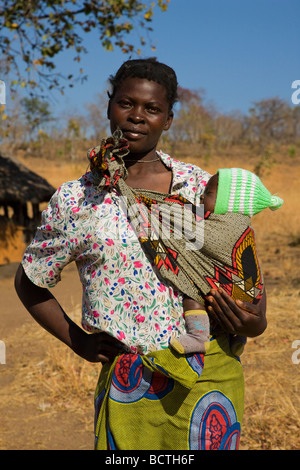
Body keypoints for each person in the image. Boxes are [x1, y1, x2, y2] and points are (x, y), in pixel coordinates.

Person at [15, 58, 268, 451]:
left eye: (152, 109)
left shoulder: (202, 187)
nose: (136, 117)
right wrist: (77, 341)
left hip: (208, 380)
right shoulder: (78, 198)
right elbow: (29, 280)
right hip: (127, 382)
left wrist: (253, 321)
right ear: (109, 105)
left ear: (168, 119)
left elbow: (244, 273)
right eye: (126, 103)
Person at [170, 168, 283, 355]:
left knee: (192, 285)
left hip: (233, 291)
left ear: (227, 202)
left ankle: (198, 336)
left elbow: (196, 234)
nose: (200, 199)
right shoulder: (244, 225)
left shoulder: (225, 227)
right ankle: (237, 338)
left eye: (207, 194)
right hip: (247, 289)